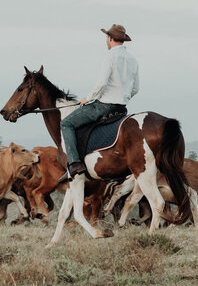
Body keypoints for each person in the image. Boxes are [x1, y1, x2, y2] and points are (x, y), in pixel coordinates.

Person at [59, 24, 139, 181]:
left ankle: (74, 164)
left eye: (106, 38)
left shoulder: (109, 57)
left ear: (109, 38)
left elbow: (101, 83)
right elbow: (136, 88)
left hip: (103, 106)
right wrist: (124, 97)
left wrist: (87, 98)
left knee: (66, 124)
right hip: (121, 109)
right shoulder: (133, 60)